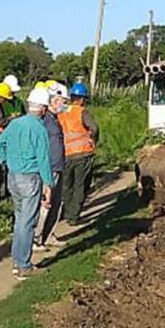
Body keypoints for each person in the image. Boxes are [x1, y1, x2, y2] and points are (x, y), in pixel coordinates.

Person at [0, 87, 54, 277]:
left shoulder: (15, 124)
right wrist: (48, 185)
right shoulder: (39, 129)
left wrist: (6, 160)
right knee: (28, 221)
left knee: (20, 220)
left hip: (13, 176)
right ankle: (24, 265)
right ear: (43, 108)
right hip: (30, 178)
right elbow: (43, 159)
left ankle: (17, 261)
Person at [58, 82, 99, 223]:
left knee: (66, 185)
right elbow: (94, 128)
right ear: (81, 99)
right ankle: (73, 216)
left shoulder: (61, 111)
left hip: (65, 154)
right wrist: (93, 140)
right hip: (82, 154)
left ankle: (65, 212)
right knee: (80, 186)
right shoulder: (82, 112)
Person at [35, 82, 68, 248]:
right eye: (63, 101)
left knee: (56, 203)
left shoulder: (54, 119)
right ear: (54, 101)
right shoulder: (45, 120)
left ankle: (48, 235)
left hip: (58, 166)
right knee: (45, 204)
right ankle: (37, 237)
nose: (65, 105)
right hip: (48, 168)